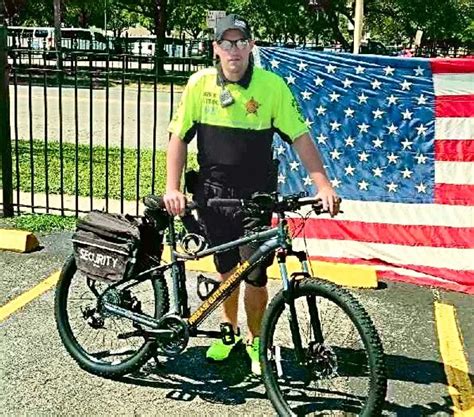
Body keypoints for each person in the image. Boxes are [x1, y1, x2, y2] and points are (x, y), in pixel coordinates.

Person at [164, 14, 339, 375]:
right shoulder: (199, 85)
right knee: (226, 269)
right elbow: (178, 138)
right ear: (215, 48)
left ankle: (257, 338)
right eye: (226, 43)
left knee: (255, 274)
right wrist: (172, 187)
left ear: (251, 46)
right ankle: (229, 334)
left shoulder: (272, 87)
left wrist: (322, 183)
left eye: (240, 42)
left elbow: (301, 138)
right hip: (212, 193)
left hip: (255, 196)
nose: (234, 50)